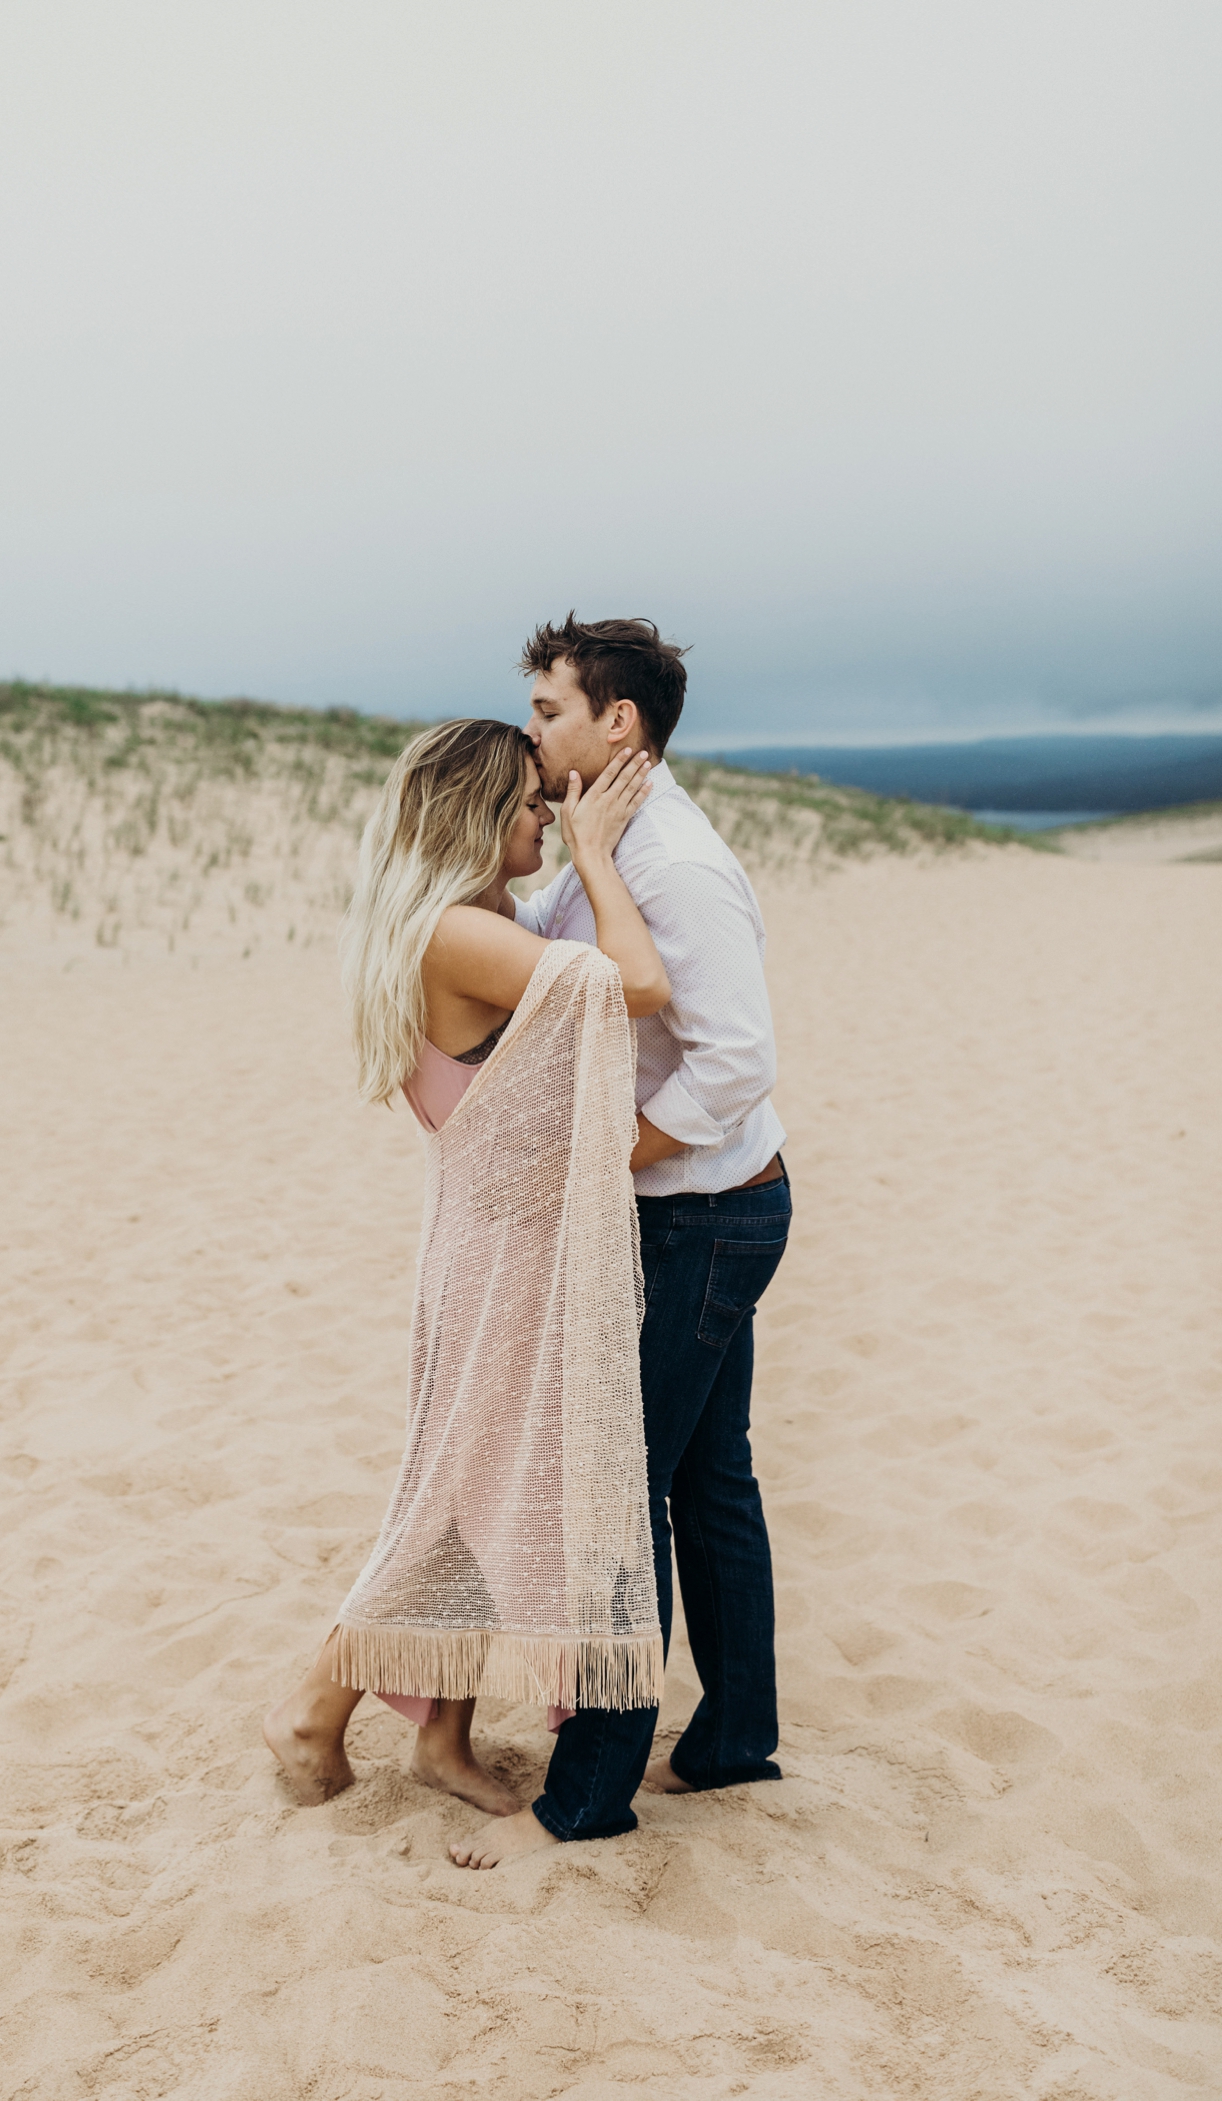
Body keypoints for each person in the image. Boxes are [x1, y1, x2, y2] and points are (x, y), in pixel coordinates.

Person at [263, 717, 672, 1820]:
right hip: (500, 1261)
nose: (547, 816)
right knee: (449, 1499)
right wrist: (595, 856)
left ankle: (440, 1737)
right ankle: (312, 1705)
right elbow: (632, 981)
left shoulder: (464, 919)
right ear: (482, 816)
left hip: (491, 1246)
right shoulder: (453, 932)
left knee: (469, 1499)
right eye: (534, 805)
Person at [448, 614, 790, 1871]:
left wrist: (608, 1153)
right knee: (706, 1480)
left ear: (616, 724)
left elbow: (738, 1061)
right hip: (697, 1210)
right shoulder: (608, 842)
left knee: (618, 1487)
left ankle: (587, 1795)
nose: (533, 729)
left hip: (707, 1213)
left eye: (547, 709)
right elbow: (535, 942)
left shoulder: (678, 866)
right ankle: (733, 1735)